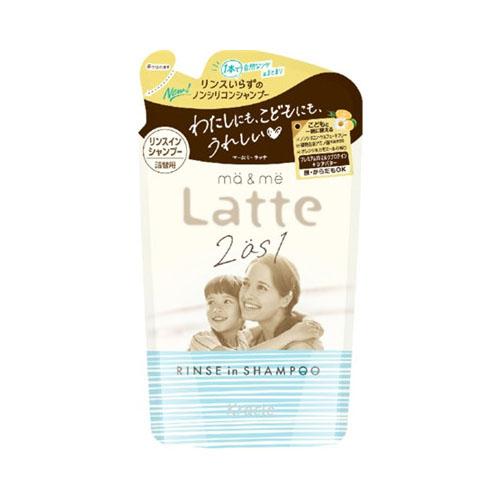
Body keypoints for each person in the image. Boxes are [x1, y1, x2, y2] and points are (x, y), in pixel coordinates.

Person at [189, 274, 321, 351]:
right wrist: (292, 335)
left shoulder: (242, 338)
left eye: (227, 301)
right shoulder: (202, 339)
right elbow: (240, 362)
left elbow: (272, 318)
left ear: (243, 310)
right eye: (211, 302)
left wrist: (308, 322)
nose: (216, 308)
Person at [239, 254, 324, 350]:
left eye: (261, 287)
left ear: (286, 299)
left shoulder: (300, 347)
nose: (247, 295)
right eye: (245, 283)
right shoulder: (252, 338)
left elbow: (242, 359)